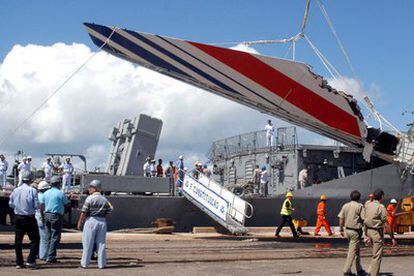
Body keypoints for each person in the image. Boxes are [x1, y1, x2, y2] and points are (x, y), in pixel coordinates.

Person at [77, 180, 113, 269]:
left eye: (91, 187)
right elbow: (110, 210)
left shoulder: (89, 198)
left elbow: (83, 212)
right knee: (101, 244)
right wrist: (103, 216)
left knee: (87, 243)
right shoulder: (105, 199)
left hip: (91, 221)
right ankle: (101, 264)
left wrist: (80, 222)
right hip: (102, 221)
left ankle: (84, 264)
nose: (89, 189)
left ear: (95, 188)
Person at [8, 171, 40, 269]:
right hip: (29, 218)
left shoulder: (15, 190)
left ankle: (19, 262)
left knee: (18, 241)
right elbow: (36, 206)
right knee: (35, 239)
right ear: (31, 180)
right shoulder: (33, 190)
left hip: (18, 217)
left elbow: (11, 204)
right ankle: (30, 260)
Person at [363, 189, 396, 276]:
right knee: (377, 256)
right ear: (381, 197)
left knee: (374, 254)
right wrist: (392, 237)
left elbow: (365, 218)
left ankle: (370, 271)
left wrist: (365, 234)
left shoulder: (367, 205)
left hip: (368, 231)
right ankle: (374, 274)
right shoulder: (381, 207)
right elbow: (386, 224)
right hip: (376, 233)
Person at [39, 176, 70, 263]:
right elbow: (67, 204)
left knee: (48, 236)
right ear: (57, 184)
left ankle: (46, 255)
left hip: (46, 215)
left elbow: (41, 206)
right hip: (56, 216)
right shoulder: (60, 193)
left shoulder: (46, 193)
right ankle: (51, 256)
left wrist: (42, 216)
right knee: (55, 237)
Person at [338, 190, 366, 276]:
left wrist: (341, 229)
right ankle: (347, 271)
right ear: (359, 198)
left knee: (356, 251)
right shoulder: (360, 206)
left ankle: (359, 269)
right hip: (355, 232)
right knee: (352, 251)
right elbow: (363, 218)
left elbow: (341, 218)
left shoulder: (345, 205)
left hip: (348, 231)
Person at [35, 180, 50, 260]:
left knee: (37, 237)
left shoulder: (36, 195)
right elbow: (42, 208)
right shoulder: (44, 196)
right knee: (44, 238)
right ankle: (43, 255)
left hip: (35, 217)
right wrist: (43, 217)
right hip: (41, 218)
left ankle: (36, 253)